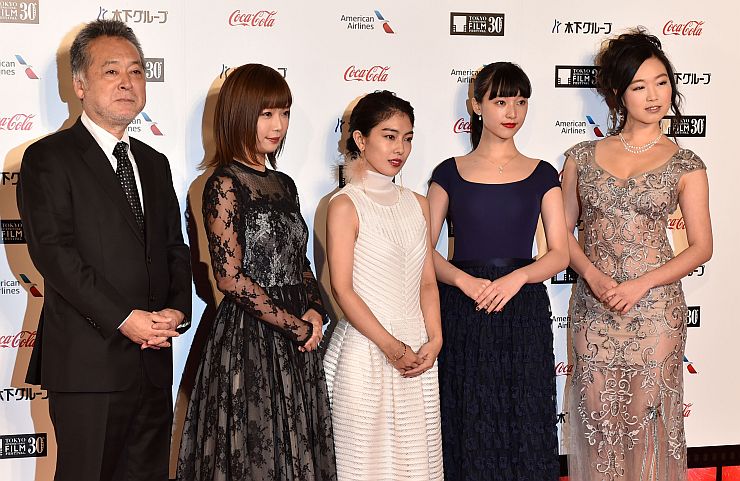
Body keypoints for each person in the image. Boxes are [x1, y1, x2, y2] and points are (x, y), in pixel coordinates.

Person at [16, 19, 192, 481]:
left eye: (136, 71)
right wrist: (125, 318)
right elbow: (55, 256)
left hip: (153, 362)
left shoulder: (154, 163)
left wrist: (176, 310)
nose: (127, 82)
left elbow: (174, 248)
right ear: (79, 85)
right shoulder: (48, 158)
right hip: (88, 366)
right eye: (111, 71)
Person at [562, 29, 712, 481]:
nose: (653, 96)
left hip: (655, 312)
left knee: (649, 427)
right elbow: (560, 234)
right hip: (594, 307)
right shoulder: (581, 157)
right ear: (618, 93)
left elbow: (702, 246)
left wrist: (640, 284)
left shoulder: (686, 164)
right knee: (596, 424)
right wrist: (591, 276)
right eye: (639, 86)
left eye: (661, 82)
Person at [176, 63, 336, 481]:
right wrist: (296, 327)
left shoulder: (285, 184)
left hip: (297, 338)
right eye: (267, 114)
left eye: (284, 112)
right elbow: (229, 277)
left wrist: (316, 309)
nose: (278, 125)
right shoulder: (224, 184)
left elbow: (299, 260)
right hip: (250, 337)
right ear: (240, 114)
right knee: (254, 455)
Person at [427, 62, 568, 481]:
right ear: (477, 105)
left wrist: (518, 277)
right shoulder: (448, 172)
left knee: (525, 418)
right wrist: (463, 281)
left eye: (521, 102)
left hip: (523, 311)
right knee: (468, 419)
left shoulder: (543, 174)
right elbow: (423, 251)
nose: (512, 112)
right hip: (464, 309)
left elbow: (559, 254)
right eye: (501, 101)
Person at [323, 90, 444, 480]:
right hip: (366, 351)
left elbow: (427, 282)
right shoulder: (345, 204)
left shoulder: (418, 203)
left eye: (407, 138)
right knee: (365, 466)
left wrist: (435, 339)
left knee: (417, 466)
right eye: (389, 136)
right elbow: (343, 290)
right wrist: (391, 347)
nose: (400, 149)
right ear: (360, 139)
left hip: (417, 354)